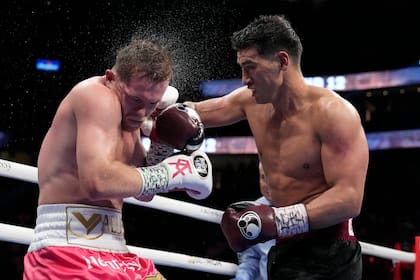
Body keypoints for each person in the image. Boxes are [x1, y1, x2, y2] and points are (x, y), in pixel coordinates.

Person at [185, 15, 369, 279]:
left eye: (251, 68)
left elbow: (349, 199)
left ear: (282, 61)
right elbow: (192, 114)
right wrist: (150, 102)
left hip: (331, 253)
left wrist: (276, 221)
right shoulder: (250, 102)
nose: (244, 79)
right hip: (282, 249)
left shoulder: (333, 114)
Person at [23, 39, 213, 280]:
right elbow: (98, 183)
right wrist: (172, 174)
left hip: (116, 250)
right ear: (111, 77)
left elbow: (144, 192)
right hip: (66, 251)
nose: (142, 112)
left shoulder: (129, 116)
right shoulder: (96, 96)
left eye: (152, 103)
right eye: (135, 99)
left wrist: (160, 143)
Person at [232, 162, 275, 280]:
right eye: (262, 177)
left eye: (270, 177)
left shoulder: (309, 208)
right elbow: (252, 257)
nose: (266, 184)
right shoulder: (254, 211)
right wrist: (242, 278)